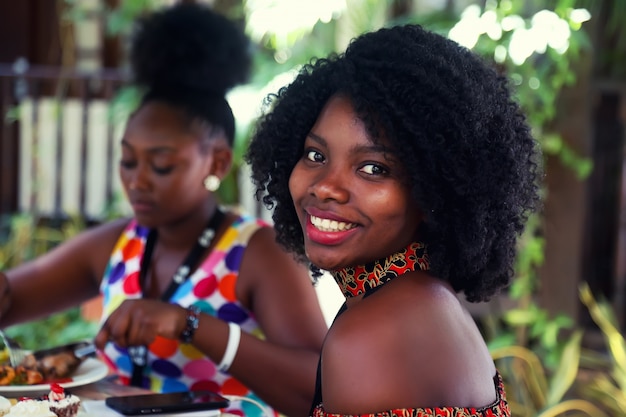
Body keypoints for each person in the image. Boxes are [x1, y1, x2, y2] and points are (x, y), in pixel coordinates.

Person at [0, 3, 328, 416]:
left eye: (161, 165)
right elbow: (11, 298)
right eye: (128, 161)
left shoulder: (259, 252)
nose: (137, 180)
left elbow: (320, 387)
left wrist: (189, 325)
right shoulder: (121, 242)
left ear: (217, 163)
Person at [245, 23, 542, 416]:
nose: (326, 187)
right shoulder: (419, 299)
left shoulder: (376, 333)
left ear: (432, 192)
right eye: (316, 155)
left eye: (373, 168)